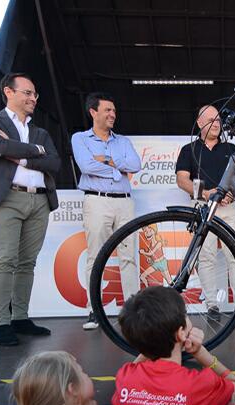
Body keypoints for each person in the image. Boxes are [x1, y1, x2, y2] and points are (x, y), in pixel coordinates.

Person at [0, 72, 62, 346]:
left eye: (35, 94)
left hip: (39, 200)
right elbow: (0, 146)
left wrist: (22, 155)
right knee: (4, 260)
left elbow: (54, 163)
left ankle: (20, 317)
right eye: (27, 92)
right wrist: (37, 152)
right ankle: (1, 324)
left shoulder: (41, 132)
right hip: (6, 199)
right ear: (8, 92)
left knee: (27, 263)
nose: (33, 98)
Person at [72, 92, 143, 331]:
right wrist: (116, 169)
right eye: (107, 110)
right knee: (96, 256)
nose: (113, 114)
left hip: (124, 201)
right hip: (97, 201)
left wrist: (108, 161)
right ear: (93, 112)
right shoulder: (80, 138)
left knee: (128, 256)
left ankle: (133, 310)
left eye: (114, 110)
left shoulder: (123, 141)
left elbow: (136, 165)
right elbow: (86, 165)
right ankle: (94, 310)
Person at [175, 105, 235, 317]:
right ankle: (212, 304)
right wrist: (206, 194)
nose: (217, 123)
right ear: (200, 123)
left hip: (228, 208)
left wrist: (230, 191)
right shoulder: (188, 149)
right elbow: (182, 180)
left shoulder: (229, 148)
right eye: (211, 119)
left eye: (219, 119)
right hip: (202, 207)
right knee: (206, 256)